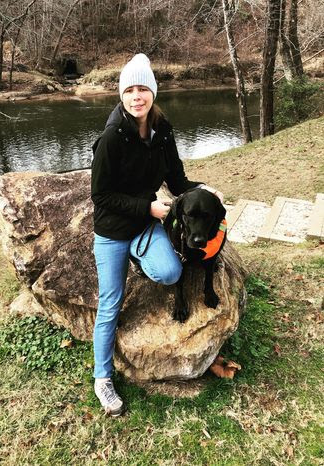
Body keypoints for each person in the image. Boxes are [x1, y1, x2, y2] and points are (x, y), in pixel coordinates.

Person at [91, 53, 223, 416]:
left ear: (153, 92)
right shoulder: (110, 139)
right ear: (121, 95)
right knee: (110, 302)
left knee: (169, 272)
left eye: (143, 89)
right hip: (112, 230)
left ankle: (142, 254)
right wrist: (146, 208)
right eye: (130, 90)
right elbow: (100, 197)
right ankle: (102, 379)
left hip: (145, 226)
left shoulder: (163, 131)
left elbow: (178, 181)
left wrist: (208, 189)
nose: (137, 96)